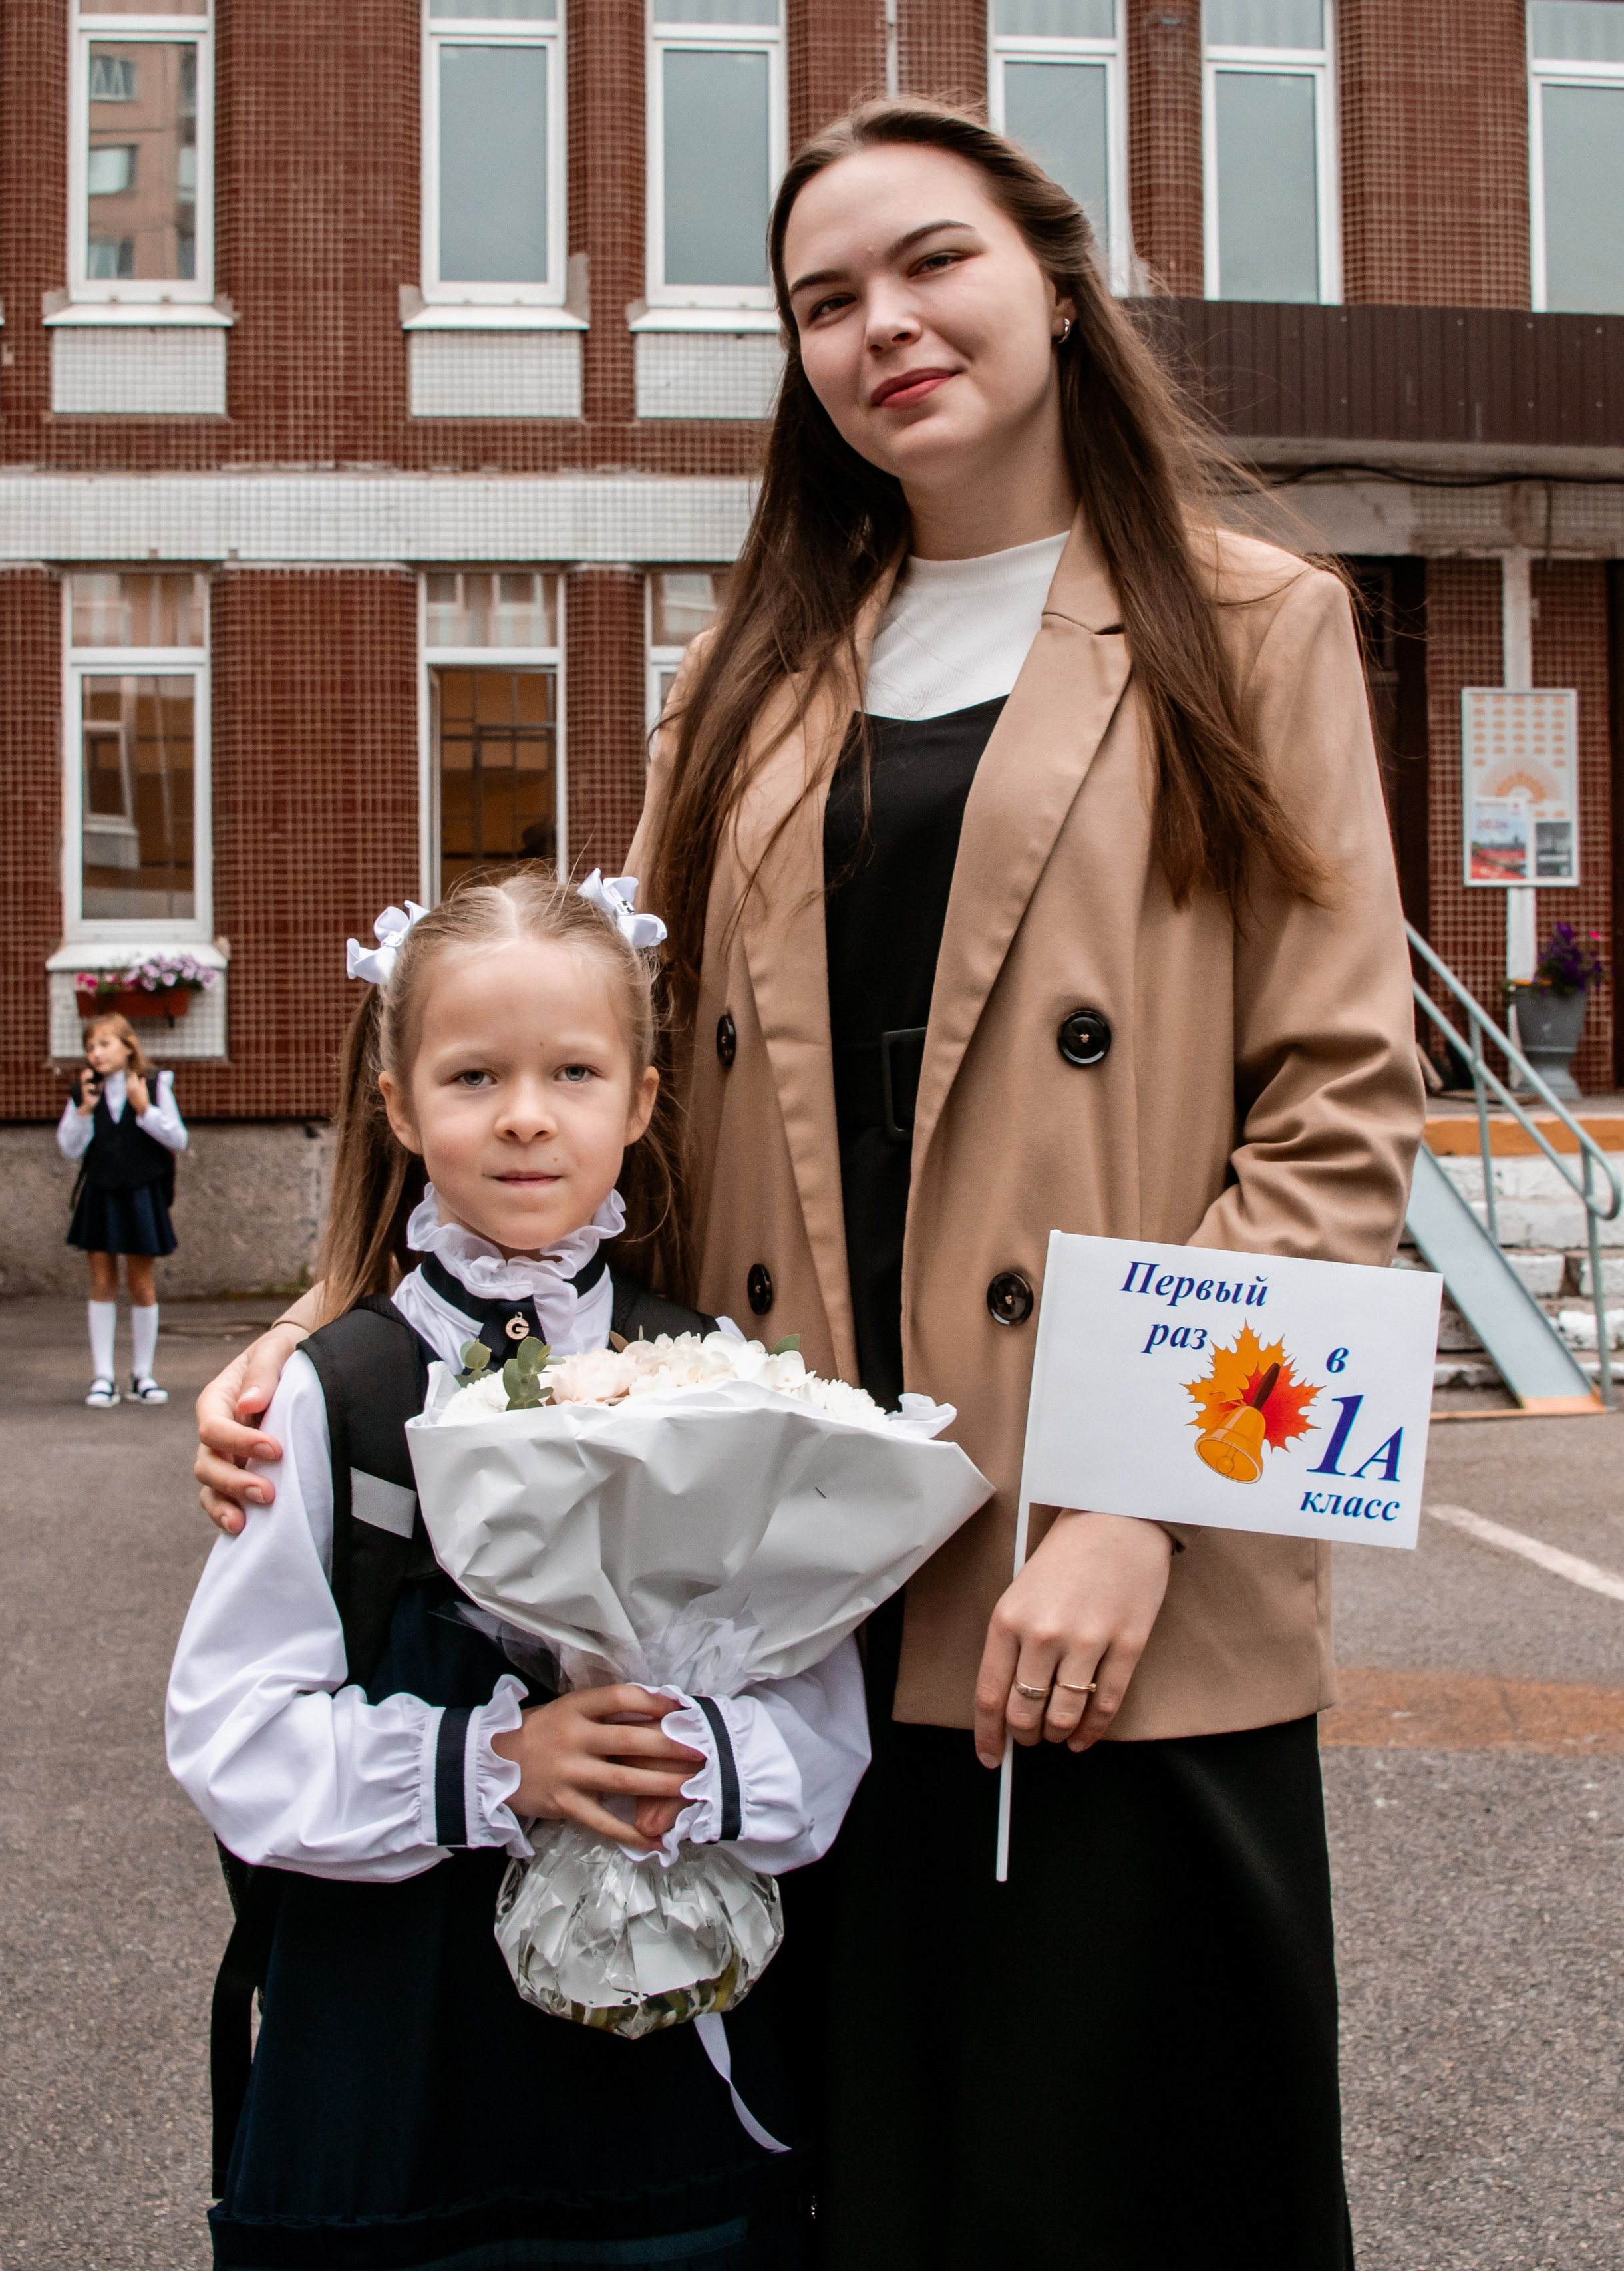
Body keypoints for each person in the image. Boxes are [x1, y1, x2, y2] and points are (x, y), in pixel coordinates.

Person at [193, 100, 1423, 2270]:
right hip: (785, 1605)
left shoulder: (1258, 621)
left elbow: (1338, 1113)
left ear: (1054, 279)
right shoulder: (744, 668)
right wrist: (334, 1331)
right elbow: (596, 1076)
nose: (884, 327)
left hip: (1101, 1583)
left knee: (1138, 2187)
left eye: (930, 263)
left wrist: (1145, 1505)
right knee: (832, 2199)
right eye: (823, 302)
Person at [167, 873, 869, 2270]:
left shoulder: (721, 1375)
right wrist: (503, 1764)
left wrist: (693, 1760)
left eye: (573, 1071)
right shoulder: (335, 1391)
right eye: (474, 1074)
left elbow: (820, 1720)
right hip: (398, 2077)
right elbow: (231, 1731)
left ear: (645, 1096)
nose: (527, 1113)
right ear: (397, 1102)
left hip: (669, 2091)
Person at [58, 1011, 188, 1409]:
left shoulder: (154, 1085)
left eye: (104, 1044)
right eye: (90, 1047)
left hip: (141, 1195)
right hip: (100, 1194)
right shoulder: (84, 1091)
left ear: (128, 1046)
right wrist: (84, 1110)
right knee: (101, 1281)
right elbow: (69, 1148)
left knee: (142, 1283)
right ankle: (103, 1377)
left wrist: (145, 1108)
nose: (96, 1054)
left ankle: (143, 1375)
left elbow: (178, 1139)